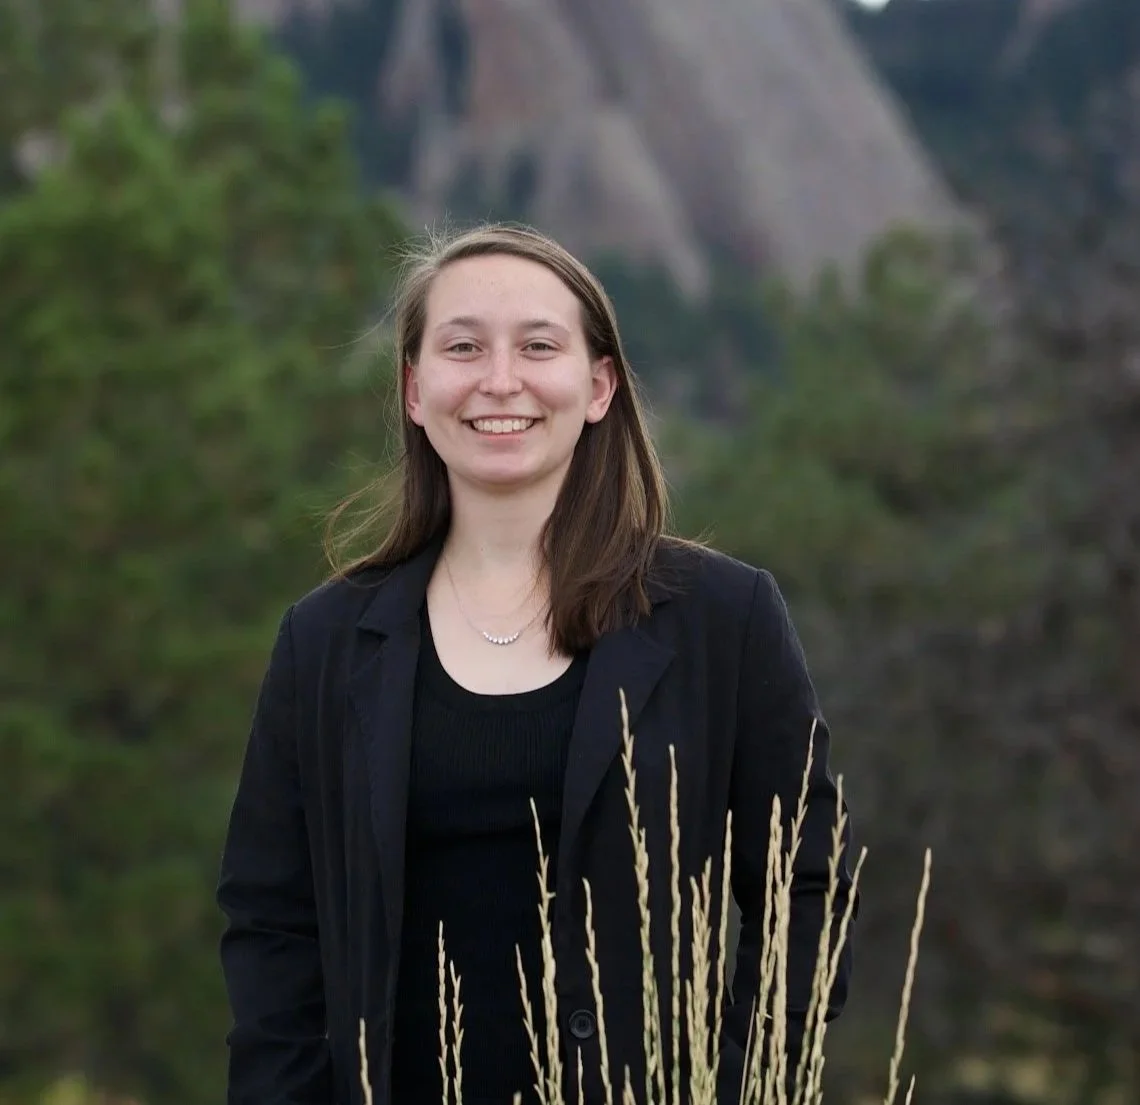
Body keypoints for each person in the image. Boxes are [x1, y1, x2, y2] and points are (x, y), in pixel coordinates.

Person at [216, 223, 856, 1105]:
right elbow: (269, 923)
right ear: (413, 389)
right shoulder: (325, 641)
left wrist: (737, 1090)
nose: (500, 379)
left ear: (599, 386)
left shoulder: (723, 619)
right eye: (463, 346)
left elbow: (807, 893)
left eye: (538, 346)